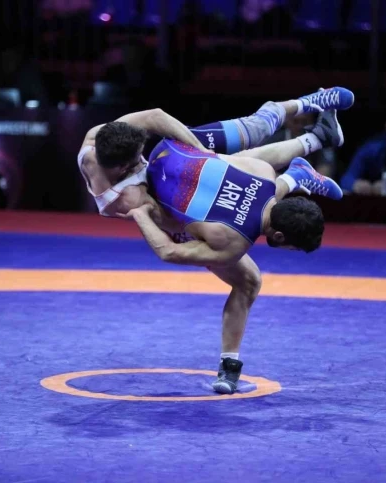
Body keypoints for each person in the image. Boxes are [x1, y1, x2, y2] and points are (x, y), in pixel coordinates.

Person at [119, 114, 343, 394]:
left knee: (241, 161)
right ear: (279, 236)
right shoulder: (233, 243)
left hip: (169, 147)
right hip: (151, 195)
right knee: (249, 282)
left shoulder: (263, 173)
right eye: (292, 247)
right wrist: (140, 214)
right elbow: (170, 252)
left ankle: (300, 165)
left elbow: (243, 163)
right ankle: (229, 366)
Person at [77, 87, 354, 225]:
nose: (141, 157)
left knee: (254, 129)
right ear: (122, 168)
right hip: (169, 191)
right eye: (137, 158)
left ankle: (307, 104)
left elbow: (155, 117)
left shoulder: (97, 136)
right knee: (244, 171)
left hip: (172, 151)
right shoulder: (124, 199)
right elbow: (171, 224)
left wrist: (202, 153)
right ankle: (314, 144)